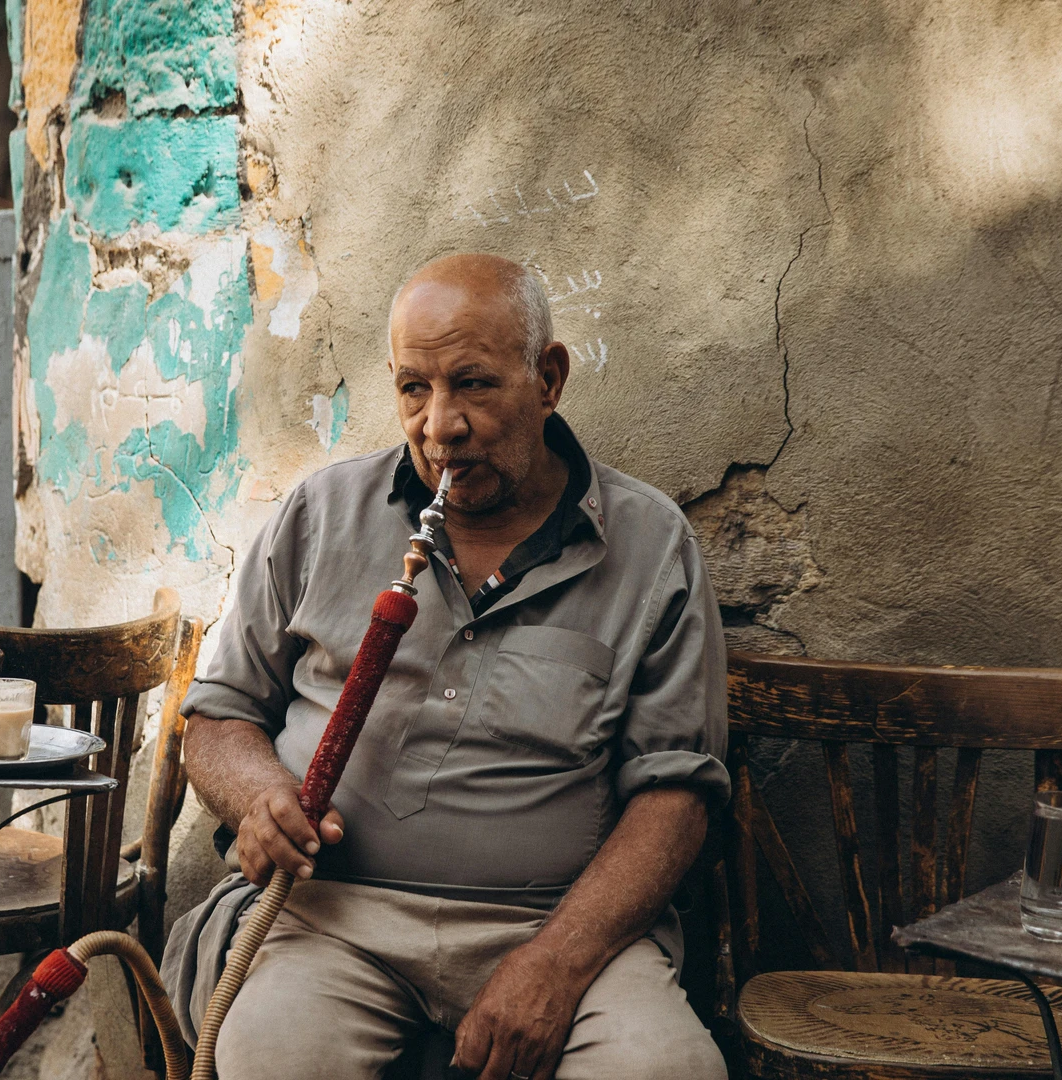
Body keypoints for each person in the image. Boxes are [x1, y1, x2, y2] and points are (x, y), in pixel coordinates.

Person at [162, 253, 730, 1080]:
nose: (440, 427)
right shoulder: (321, 513)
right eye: (413, 389)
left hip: (553, 925)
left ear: (549, 379)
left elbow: (676, 797)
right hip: (330, 918)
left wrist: (555, 965)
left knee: (666, 1071)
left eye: (473, 385)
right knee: (273, 1054)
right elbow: (219, 717)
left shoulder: (650, 544)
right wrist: (259, 798)